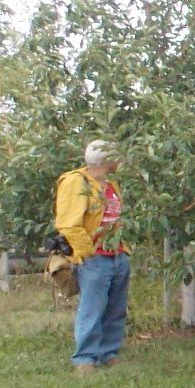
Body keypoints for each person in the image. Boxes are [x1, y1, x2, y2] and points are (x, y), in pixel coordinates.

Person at [55, 138, 130, 372]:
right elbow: (68, 224)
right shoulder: (76, 182)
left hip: (118, 255)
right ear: (106, 160)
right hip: (95, 257)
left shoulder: (110, 184)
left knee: (116, 308)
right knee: (92, 307)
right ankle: (85, 358)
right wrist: (88, 252)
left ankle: (109, 352)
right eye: (115, 156)